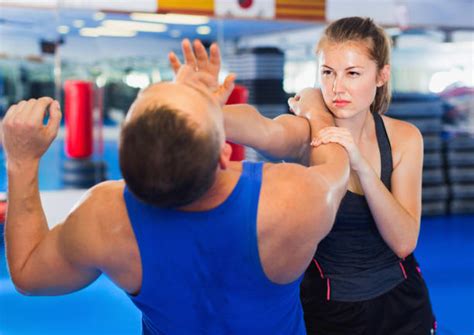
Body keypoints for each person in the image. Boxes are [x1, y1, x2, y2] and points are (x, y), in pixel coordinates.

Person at [2, 47, 350, 334]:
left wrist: (21, 160)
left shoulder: (104, 217)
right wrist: (316, 112)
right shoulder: (294, 199)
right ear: (225, 154)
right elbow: (336, 164)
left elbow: (29, 272)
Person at [205, 17, 436, 334]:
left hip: (403, 305)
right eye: (328, 73)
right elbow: (264, 129)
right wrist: (206, 111)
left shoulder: (404, 138)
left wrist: (359, 164)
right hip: (330, 310)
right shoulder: (306, 134)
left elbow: (404, 241)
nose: (337, 87)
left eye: (353, 73)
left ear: (382, 75)